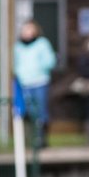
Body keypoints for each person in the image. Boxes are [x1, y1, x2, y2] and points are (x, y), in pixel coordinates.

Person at [13, 20, 57, 148]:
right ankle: (29, 139)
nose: (27, 32)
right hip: (24, 83)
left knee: (41, 111)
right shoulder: (18, 47)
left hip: (39, 82)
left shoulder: (42, 44)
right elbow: (16, 64)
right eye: (25, 29)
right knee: (27, 111)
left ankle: (41, 140)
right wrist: (20, 73)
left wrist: (37, 68)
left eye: (30, 29)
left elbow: (50, 61)